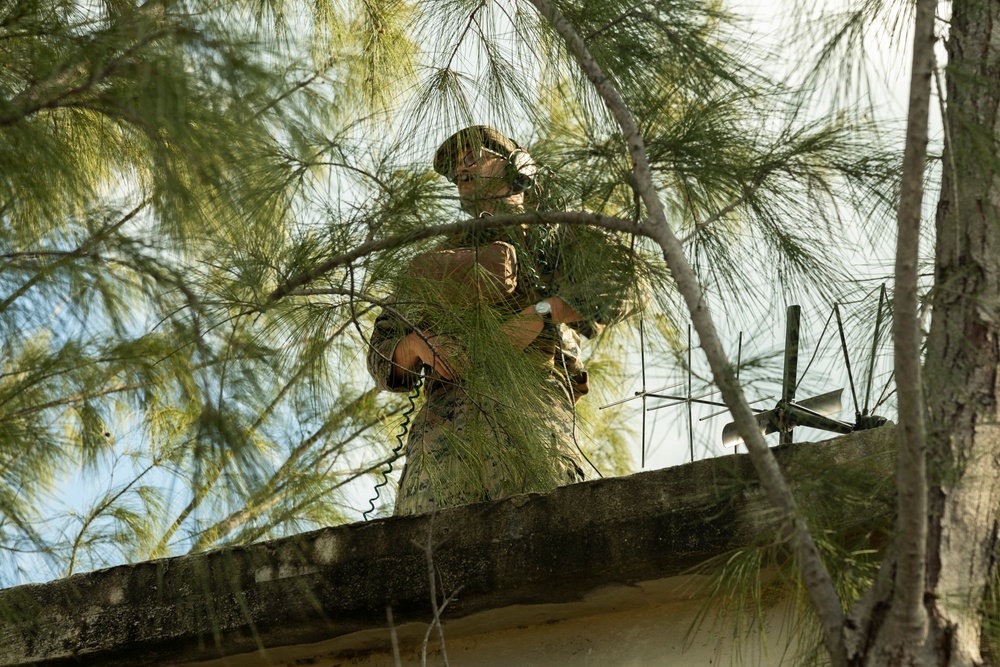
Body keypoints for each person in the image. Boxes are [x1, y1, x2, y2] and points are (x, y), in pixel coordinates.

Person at [366, 126, 625, 516]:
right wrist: (417, 347)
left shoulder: (553, 232)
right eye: (455, 166)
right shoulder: (440, 252)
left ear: (517, 165)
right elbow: (382, 345)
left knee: (544, 537)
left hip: (530, 416)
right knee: (426, 562)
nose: (460, 168)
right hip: (441, 439)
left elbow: (624, 282)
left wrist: (543, 311)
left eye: (472, 155)